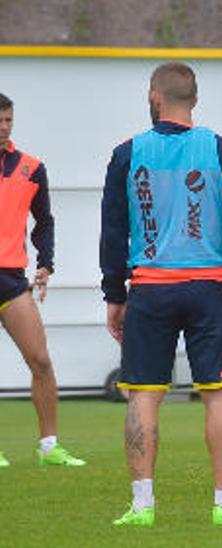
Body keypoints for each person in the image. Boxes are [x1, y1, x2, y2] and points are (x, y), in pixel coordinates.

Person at [100, 62, 222, 526]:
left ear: (154, 96)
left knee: (143, 396)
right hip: (209, 288)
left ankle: (141, 507)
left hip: (150, 290)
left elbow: (113, 232)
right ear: (194, 99)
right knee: (219, 395)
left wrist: (114, 294)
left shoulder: (126, 153)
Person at [0, 93, 84, 470]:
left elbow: (44, 220)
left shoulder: (31, 168)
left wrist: (46, 263)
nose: (3, 128)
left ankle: (49, 446)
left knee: (40, 360)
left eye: (8, 121)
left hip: (11, 279)